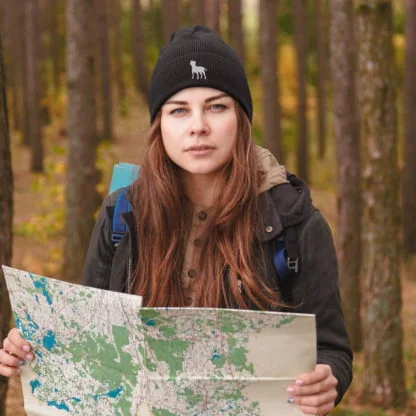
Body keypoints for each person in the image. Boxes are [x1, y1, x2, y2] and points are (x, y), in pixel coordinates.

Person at [0, 26, 352, 415]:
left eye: (216, 106)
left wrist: (328, 379)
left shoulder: (293, 221)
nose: (198, 125)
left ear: (241, 119)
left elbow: (332, 348)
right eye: (179, 110)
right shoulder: (122, 214)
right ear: (160, 125)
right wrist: (32, 349)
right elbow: (91, 339)